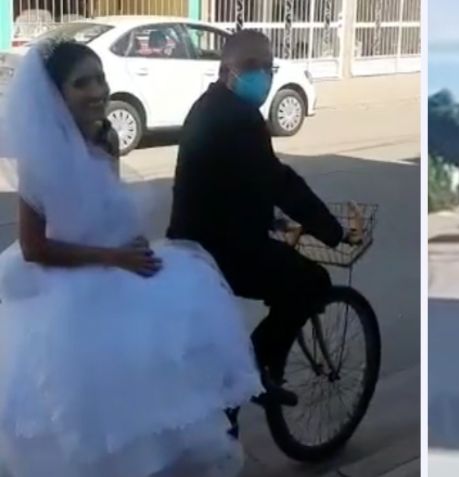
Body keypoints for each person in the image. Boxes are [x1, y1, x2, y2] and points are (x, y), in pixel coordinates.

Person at [0, 41, 262, 477]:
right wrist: (114, 256)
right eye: (81, 82)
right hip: (65, 284)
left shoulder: (107, 136)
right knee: (88, 405)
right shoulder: (38, 160)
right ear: (56, 94)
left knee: (160, 379)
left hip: (119, 262)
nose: (97, 90)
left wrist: (130, 241)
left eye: (100, 78)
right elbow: (35, 248)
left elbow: (108, 202)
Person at [167, 31, 361, 419]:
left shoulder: (208, 105)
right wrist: (334, 232)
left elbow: (233, 179)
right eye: (252, 67)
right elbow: (278, 181)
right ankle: (249, 374)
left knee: (288, 278)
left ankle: (246, 374)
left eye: (268, 67)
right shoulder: (240, 118)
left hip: (199, 240)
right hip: (221, 250)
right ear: (227, 70)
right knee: (312, 283)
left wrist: (272, 219)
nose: (263, 76)